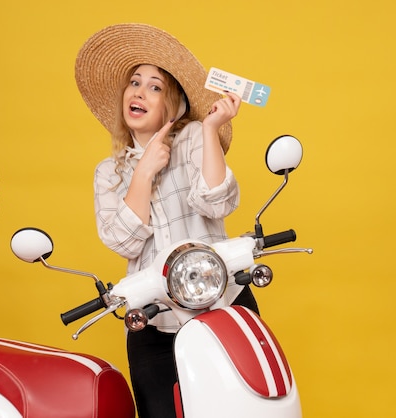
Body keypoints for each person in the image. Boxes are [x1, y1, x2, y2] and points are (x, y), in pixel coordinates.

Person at [74, 23, 259, 418]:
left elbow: (217, 202)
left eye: (154, 86)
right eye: (134, 83)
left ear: (171, 104)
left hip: (222, 303)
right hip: (153, 320)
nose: (139, 92)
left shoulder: (192, 137)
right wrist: (142, 173)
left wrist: (210, 128)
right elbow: (122, 242)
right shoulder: (109, 172)